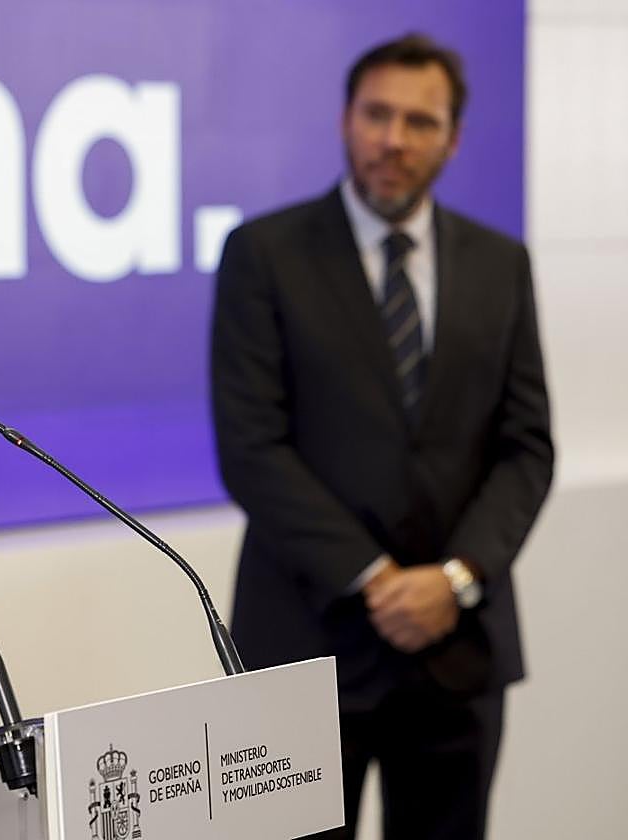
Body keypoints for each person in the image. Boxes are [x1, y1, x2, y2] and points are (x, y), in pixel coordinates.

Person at [210, 34, 553, 840]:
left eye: (419, 122)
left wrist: (456, 578)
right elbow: (252, 449)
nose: (393, 139)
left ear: (453, 138)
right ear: (346, 120)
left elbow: (528, 447)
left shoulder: (500, 263)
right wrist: (378, 580)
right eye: (376, 115)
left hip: (457, 651)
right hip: (304, 641)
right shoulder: (265, 254)